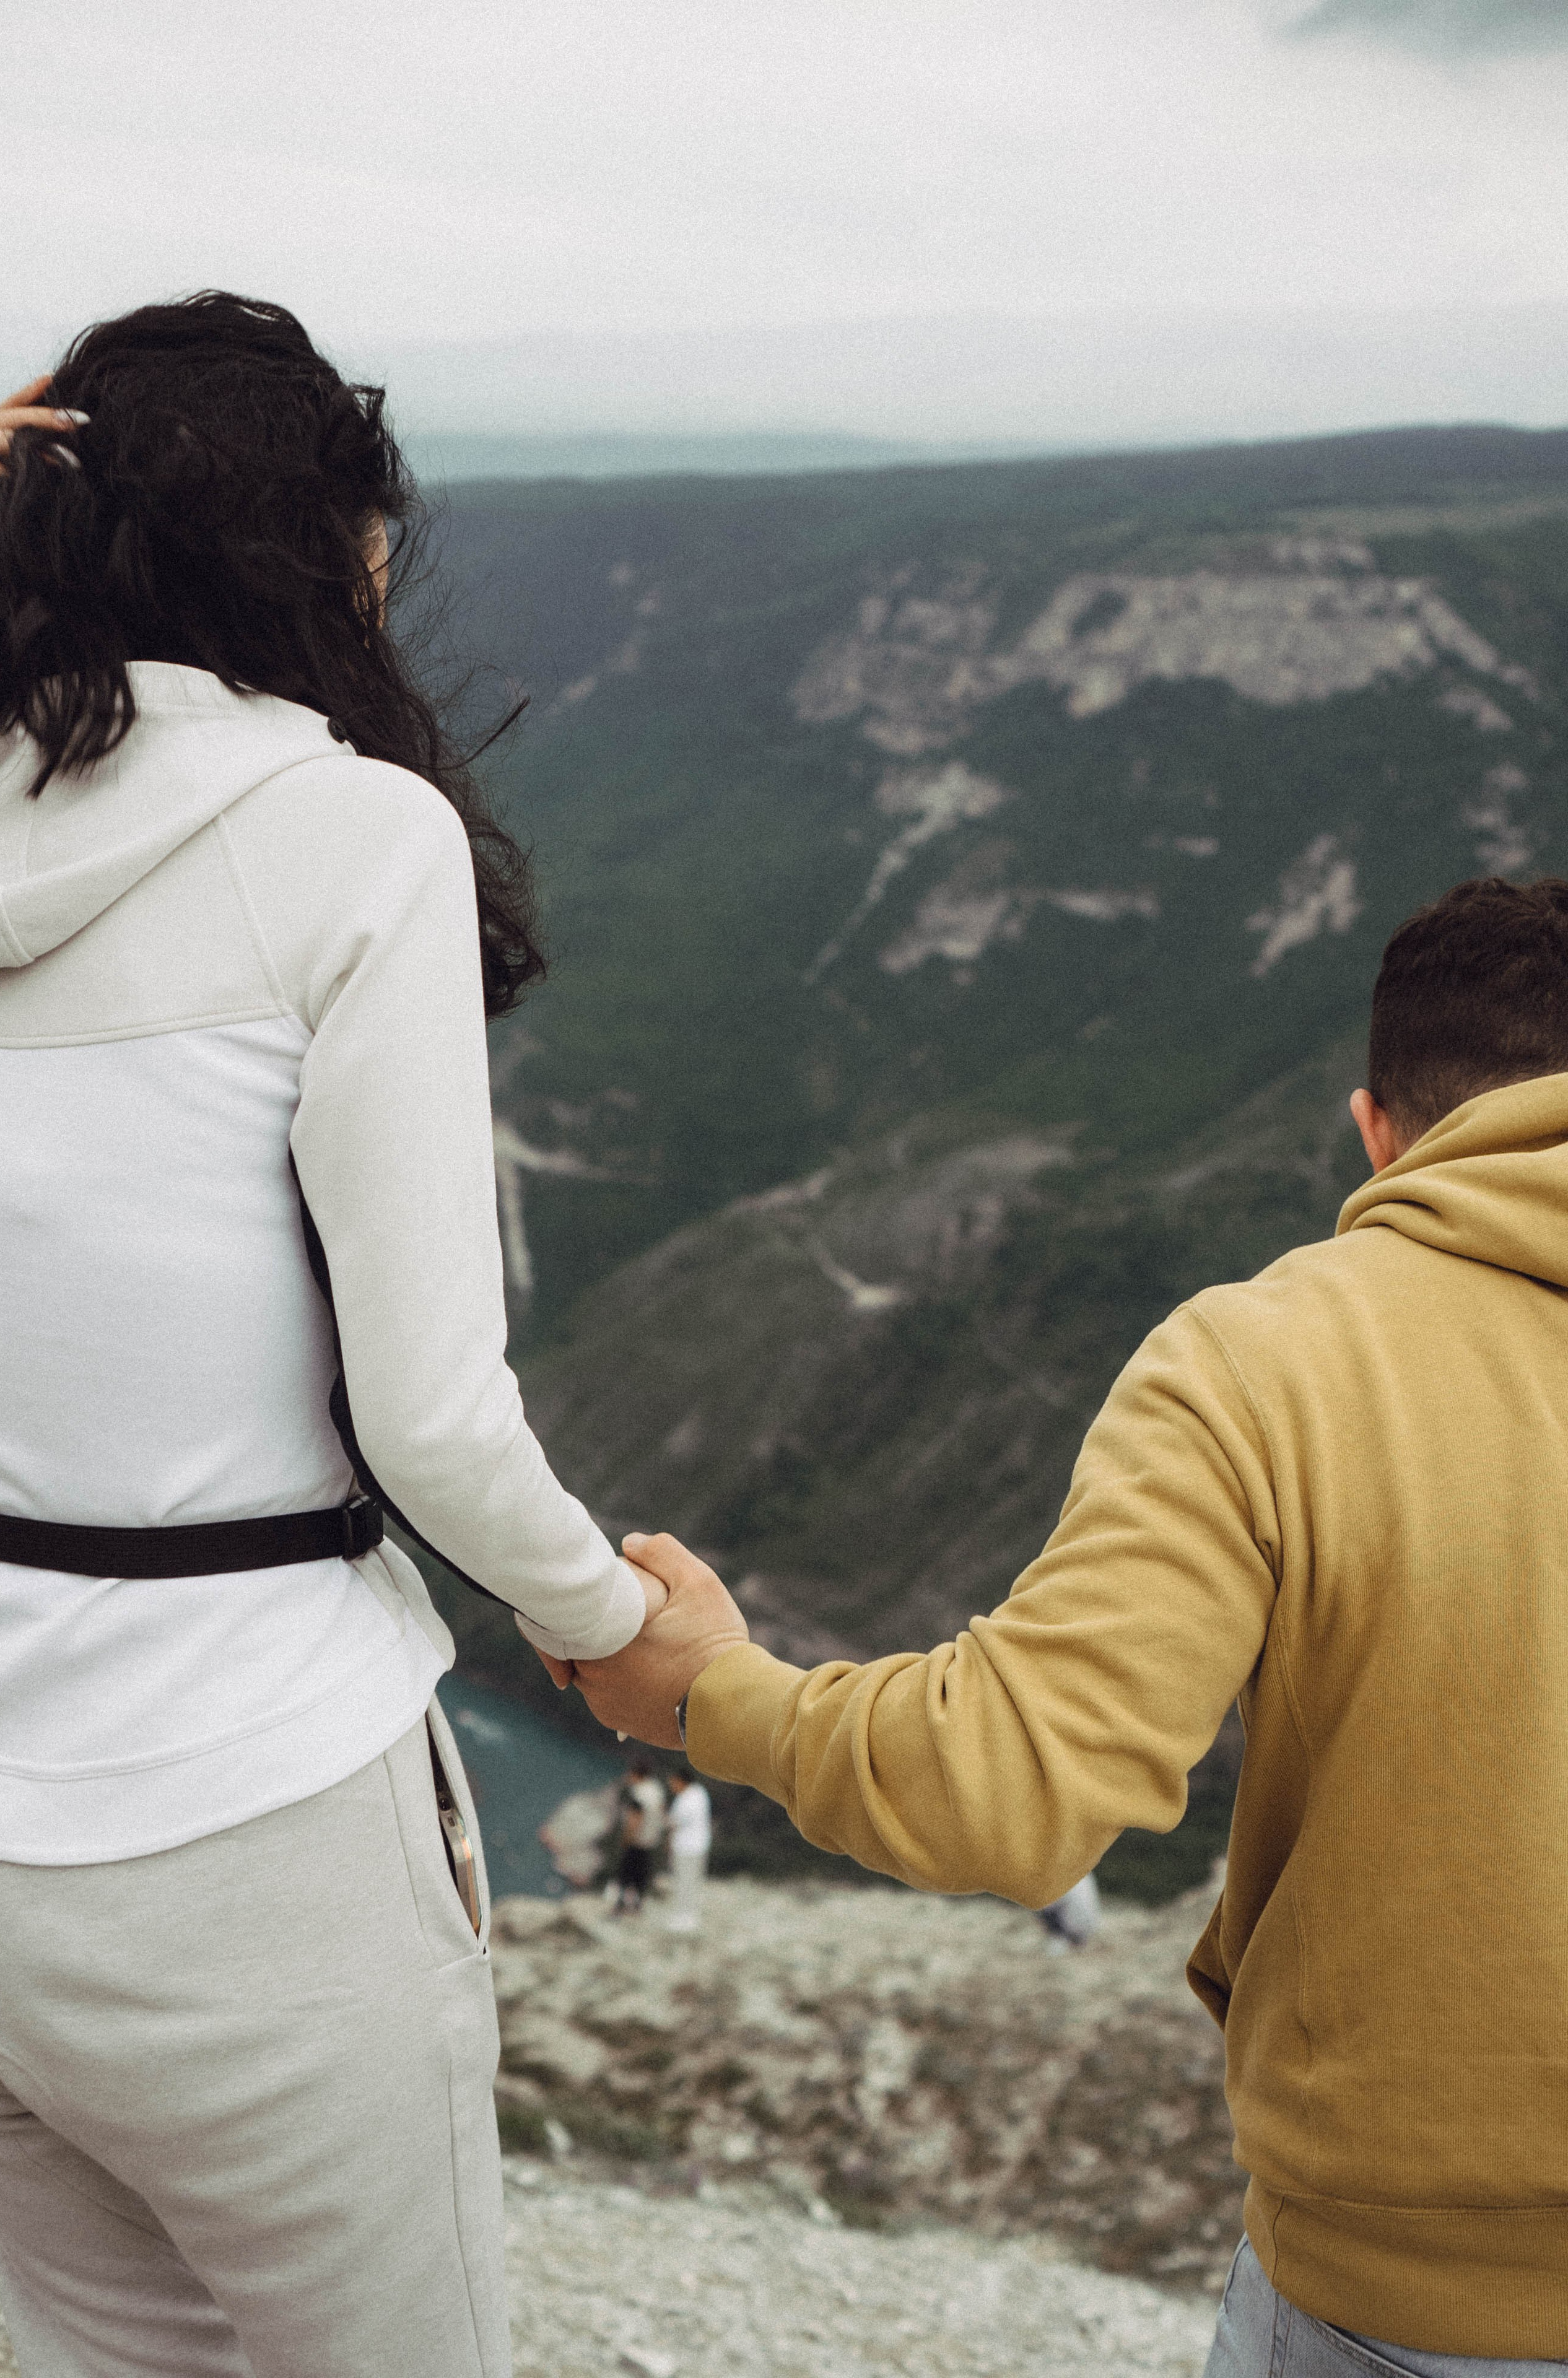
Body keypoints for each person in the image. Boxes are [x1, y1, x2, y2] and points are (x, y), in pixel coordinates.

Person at [557, 876, 1568, 2372]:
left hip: (1398, 2305)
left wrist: (709, 1688)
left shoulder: (1272, 1360)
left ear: (1375, 1129)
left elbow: (1012, 1789)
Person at [0, 300, 661, 2378]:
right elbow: (435, 1423)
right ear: (314, 552)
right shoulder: (354, 835)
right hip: (259, 1810)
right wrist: (613, 1618)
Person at [614, 1757, 667, 1912]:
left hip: (637, 1840)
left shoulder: (639, 1793)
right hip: (650, 1840)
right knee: (642, 1872)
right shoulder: (656, 1789)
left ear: (636, 1774)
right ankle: (638, 1904)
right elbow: (662, 1812)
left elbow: (635, 1818)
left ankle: (621, 1903)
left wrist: (627, 1838)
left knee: (627, 1872)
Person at [664, 1767, 713, 1933]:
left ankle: (685, 1919)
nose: (672, 1786)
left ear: (680, 1781)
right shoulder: (700, 1793)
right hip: (699, 1846)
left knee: (685, 1883)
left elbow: (674, 1822)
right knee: (691, 1882)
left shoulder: (687, 1798)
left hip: (688, 1848)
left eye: (673, 1782)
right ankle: (688, 1916)